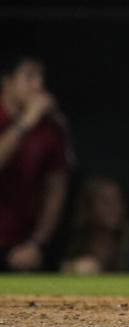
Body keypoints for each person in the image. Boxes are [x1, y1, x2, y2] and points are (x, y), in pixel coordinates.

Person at [0, 56, 71, 272]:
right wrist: (25, 123)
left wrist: (36, 243)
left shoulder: (50, 127)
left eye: (40, 77)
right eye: (29, 76)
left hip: (23, 247)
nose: (38, 85)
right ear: (7, 81)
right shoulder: (26, 120)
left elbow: (56, 190)